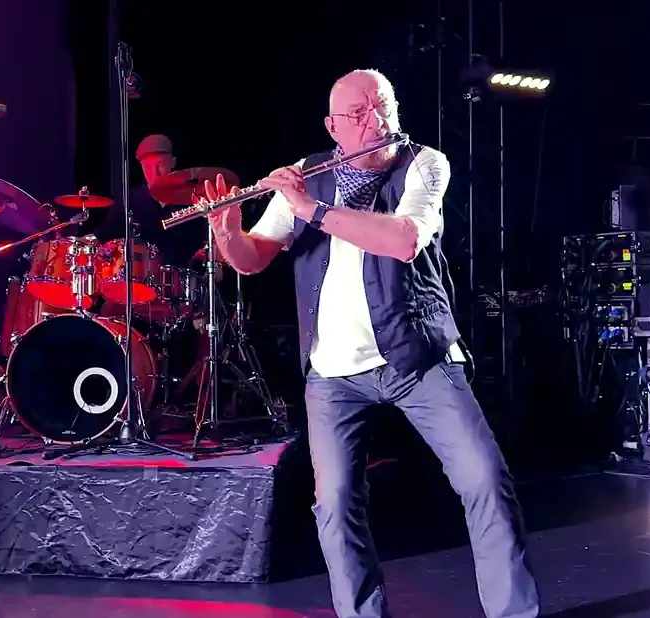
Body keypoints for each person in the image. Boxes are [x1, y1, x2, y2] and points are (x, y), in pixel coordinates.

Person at [203, 69, 539, 618]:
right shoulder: (308, 177)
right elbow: (253, 258)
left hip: (417, 357)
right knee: (333, 505)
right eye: (358, 115)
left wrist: (310, 209)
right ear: (333, 127)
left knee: (486, 482)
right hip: (333, 374)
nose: (377, 121)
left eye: (382, 106)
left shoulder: (424, 164)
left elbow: (404, 241)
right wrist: (227, 233)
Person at [92, 133, 206, 267]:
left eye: (160, 164)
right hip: (139, 283)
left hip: (184, 281)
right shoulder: (129, 201)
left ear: (173, 162)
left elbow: (207, 243)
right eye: (147, 166)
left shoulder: (191, 198)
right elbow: (104, 236)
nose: (155, 173)